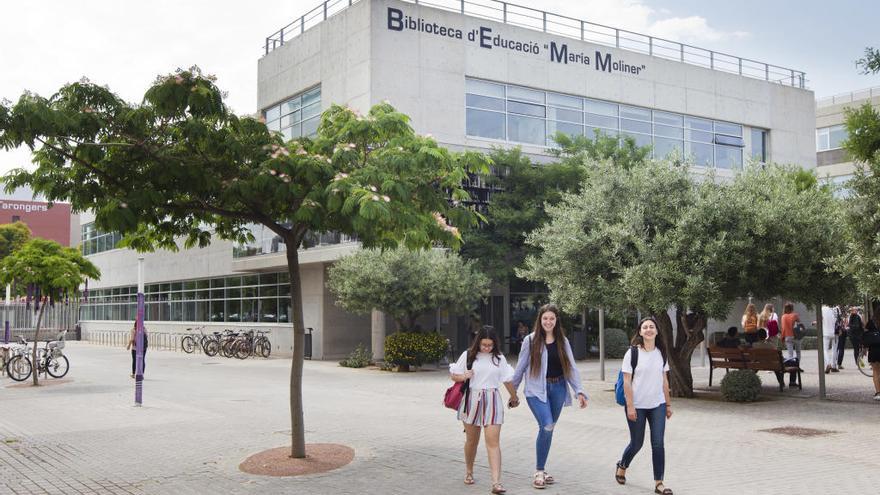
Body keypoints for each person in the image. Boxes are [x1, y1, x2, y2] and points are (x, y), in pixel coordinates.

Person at [512, 303, 588, 489]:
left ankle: (543, 469)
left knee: (549, 428)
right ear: (540, 320)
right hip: (536, 390)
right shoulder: (530, 341)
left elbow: (571, 367)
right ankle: (539, 471)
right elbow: (520, 367)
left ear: (556, 320)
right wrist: (512, 393)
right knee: (546, 424)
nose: (548, 321)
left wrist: (579, 391)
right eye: (545, 318)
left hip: (559, 388)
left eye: (551, 318)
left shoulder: (563, 341)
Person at [449, 326, 518, 494]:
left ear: (495, 343)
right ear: (478, 342)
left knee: (493, 443)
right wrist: (464, 376)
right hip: (472, 399)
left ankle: (496, 482)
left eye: (490, 345)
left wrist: (514, 397)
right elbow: (454, 375)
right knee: (472, 441)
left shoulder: (499, 359)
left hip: (493, 400)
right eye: (484, 345)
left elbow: (507, 380)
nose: (487, 348)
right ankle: (469, 471)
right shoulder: (468, 356)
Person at [615, 317, 674, 495]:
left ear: (656, 331)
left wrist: (668, 404)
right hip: (637, 405)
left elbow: (664, 380)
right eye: (645, 327)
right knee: (636, 443)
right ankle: (622, 465)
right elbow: (626, 382)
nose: (648, 329)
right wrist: (630, 406)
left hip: (658, 405)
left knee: (658, 444)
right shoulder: (632, 353)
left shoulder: (661, 353)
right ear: (640, 332)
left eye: (652, 327)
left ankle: (659, 483)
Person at [816, 305, 840, 374]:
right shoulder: (837, 308)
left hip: (826, 332)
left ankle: (828, 364)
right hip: (835, 332)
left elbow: (820, 319)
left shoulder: (822, 309)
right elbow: (839, 320)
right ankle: (834, 366)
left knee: (825, 349)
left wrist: (815, 322)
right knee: (834, 349)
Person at [862, 317, 880, 400]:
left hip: (873, 352)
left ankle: (878, 393)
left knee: (875, 372)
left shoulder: (867, 332)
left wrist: (864, 350)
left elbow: (864, 347)